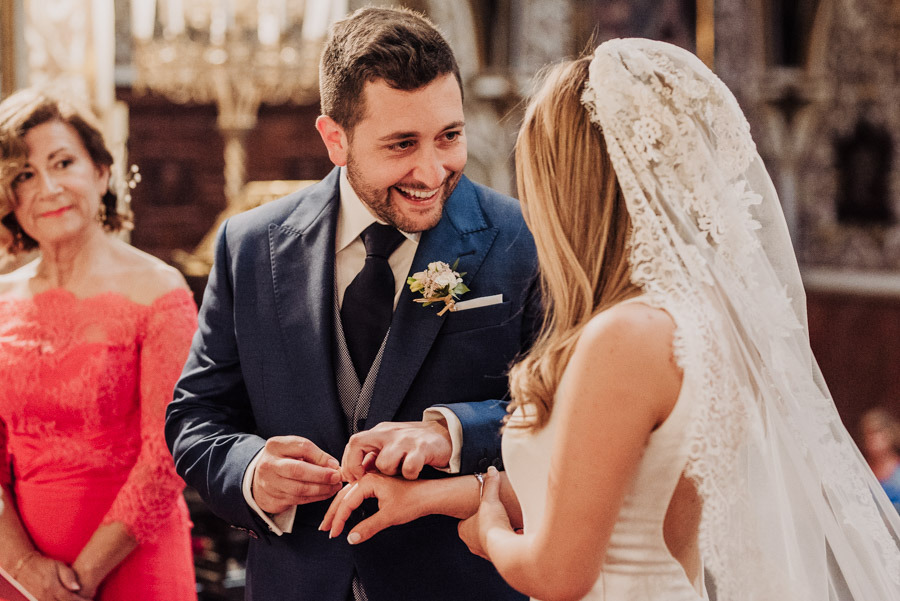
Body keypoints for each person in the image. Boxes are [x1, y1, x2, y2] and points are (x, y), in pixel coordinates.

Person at [322, 39, 900, 601]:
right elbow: (609, 503)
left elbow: (558, 573)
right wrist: (431, 499)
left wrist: (491, 535)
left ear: (573, 188)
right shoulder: (697, 321)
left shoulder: (625, 337)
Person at [165, 6, 538, 601]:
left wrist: (455, 433)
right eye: (401, 145)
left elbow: (561, 413)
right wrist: (254, 472)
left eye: (450, 136)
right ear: (334, 138)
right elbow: (195, 420)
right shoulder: (250, 245)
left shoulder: (522, 237)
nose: (433, 169)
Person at [0, 87, 197, 600]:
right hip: (19, 568)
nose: (47, 187)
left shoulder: (160, 289)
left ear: (102, 172)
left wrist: (81, 580)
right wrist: (25, 568)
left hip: (137, 561)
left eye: (63, 162)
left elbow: (168, 454)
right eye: (24, 174)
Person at [860, 407, 900, 513]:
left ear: (889, 433)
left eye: (875, 432)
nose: (871, 438)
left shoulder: (897, 470)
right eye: (866, 434)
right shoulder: (861, 471)